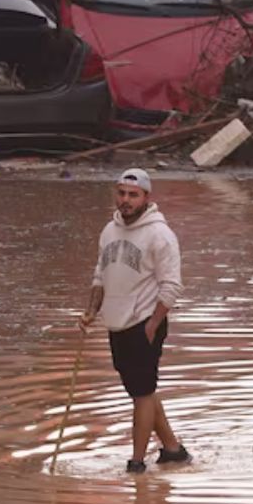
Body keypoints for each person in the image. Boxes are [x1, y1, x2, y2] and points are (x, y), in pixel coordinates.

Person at [79, 168, 189, 474]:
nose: (125, 200)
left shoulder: (160, 234)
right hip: (116, 323)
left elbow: (172, 286)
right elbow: (99, 277)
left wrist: (152, 325)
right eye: (121, 193)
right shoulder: (108, 231)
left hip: (144, 323)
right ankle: (173, 450)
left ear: (146, 198)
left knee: (141, 394)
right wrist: (91, 312)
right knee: (143, 390)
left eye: (133, 195)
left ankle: (137, 463)